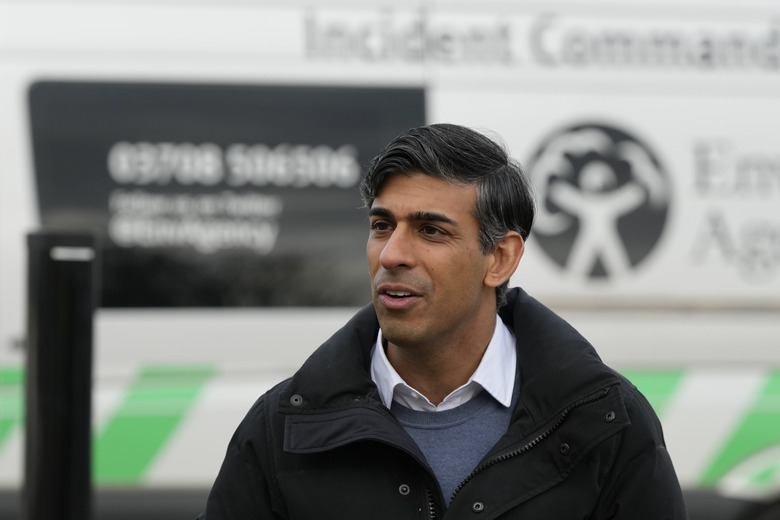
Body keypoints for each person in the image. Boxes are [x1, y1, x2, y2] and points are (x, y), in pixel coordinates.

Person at [198, 124, 687, 519]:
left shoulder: (606, 422)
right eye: (381, 226)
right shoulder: (283, 426)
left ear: (499, 258)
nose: (391, 254)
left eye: (430, 231)